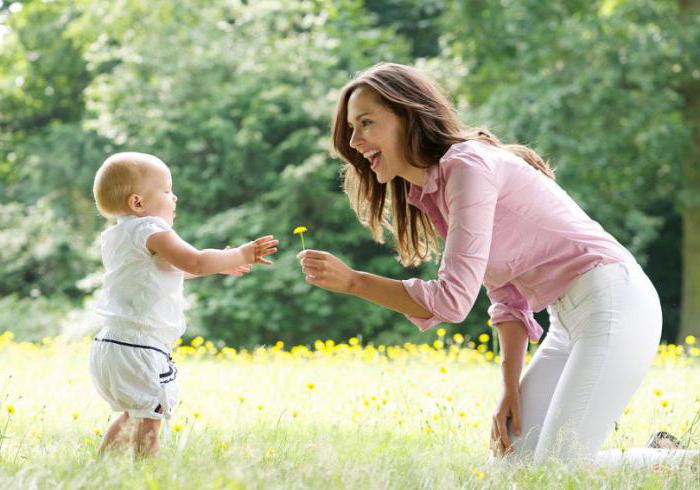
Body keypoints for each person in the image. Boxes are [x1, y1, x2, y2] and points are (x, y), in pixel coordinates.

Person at [297, 63, 697, 465]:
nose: (354, 140)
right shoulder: (436, 191)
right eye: (351, 127)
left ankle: (679, 462)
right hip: (569, 321)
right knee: (510, 464)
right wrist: (510, 389)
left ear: (409, 117)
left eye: (366, 123)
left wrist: (353, 282)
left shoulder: (467, 167)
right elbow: (506, 295)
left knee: (560, 470)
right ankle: (663, 457)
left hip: (613, 302)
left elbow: (452, 301)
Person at [90, 152, 278, 457]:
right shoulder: (151, 229)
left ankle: (100, 471)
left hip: (110, 345)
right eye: (166, 190)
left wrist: (219, 265)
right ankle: (147, 477)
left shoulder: (116, 235)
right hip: (140, 347)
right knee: (150, 419)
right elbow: (195, 260)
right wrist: (240, 255)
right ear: (138, 203)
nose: (174, 196)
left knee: (133, 415)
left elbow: (175, 269)